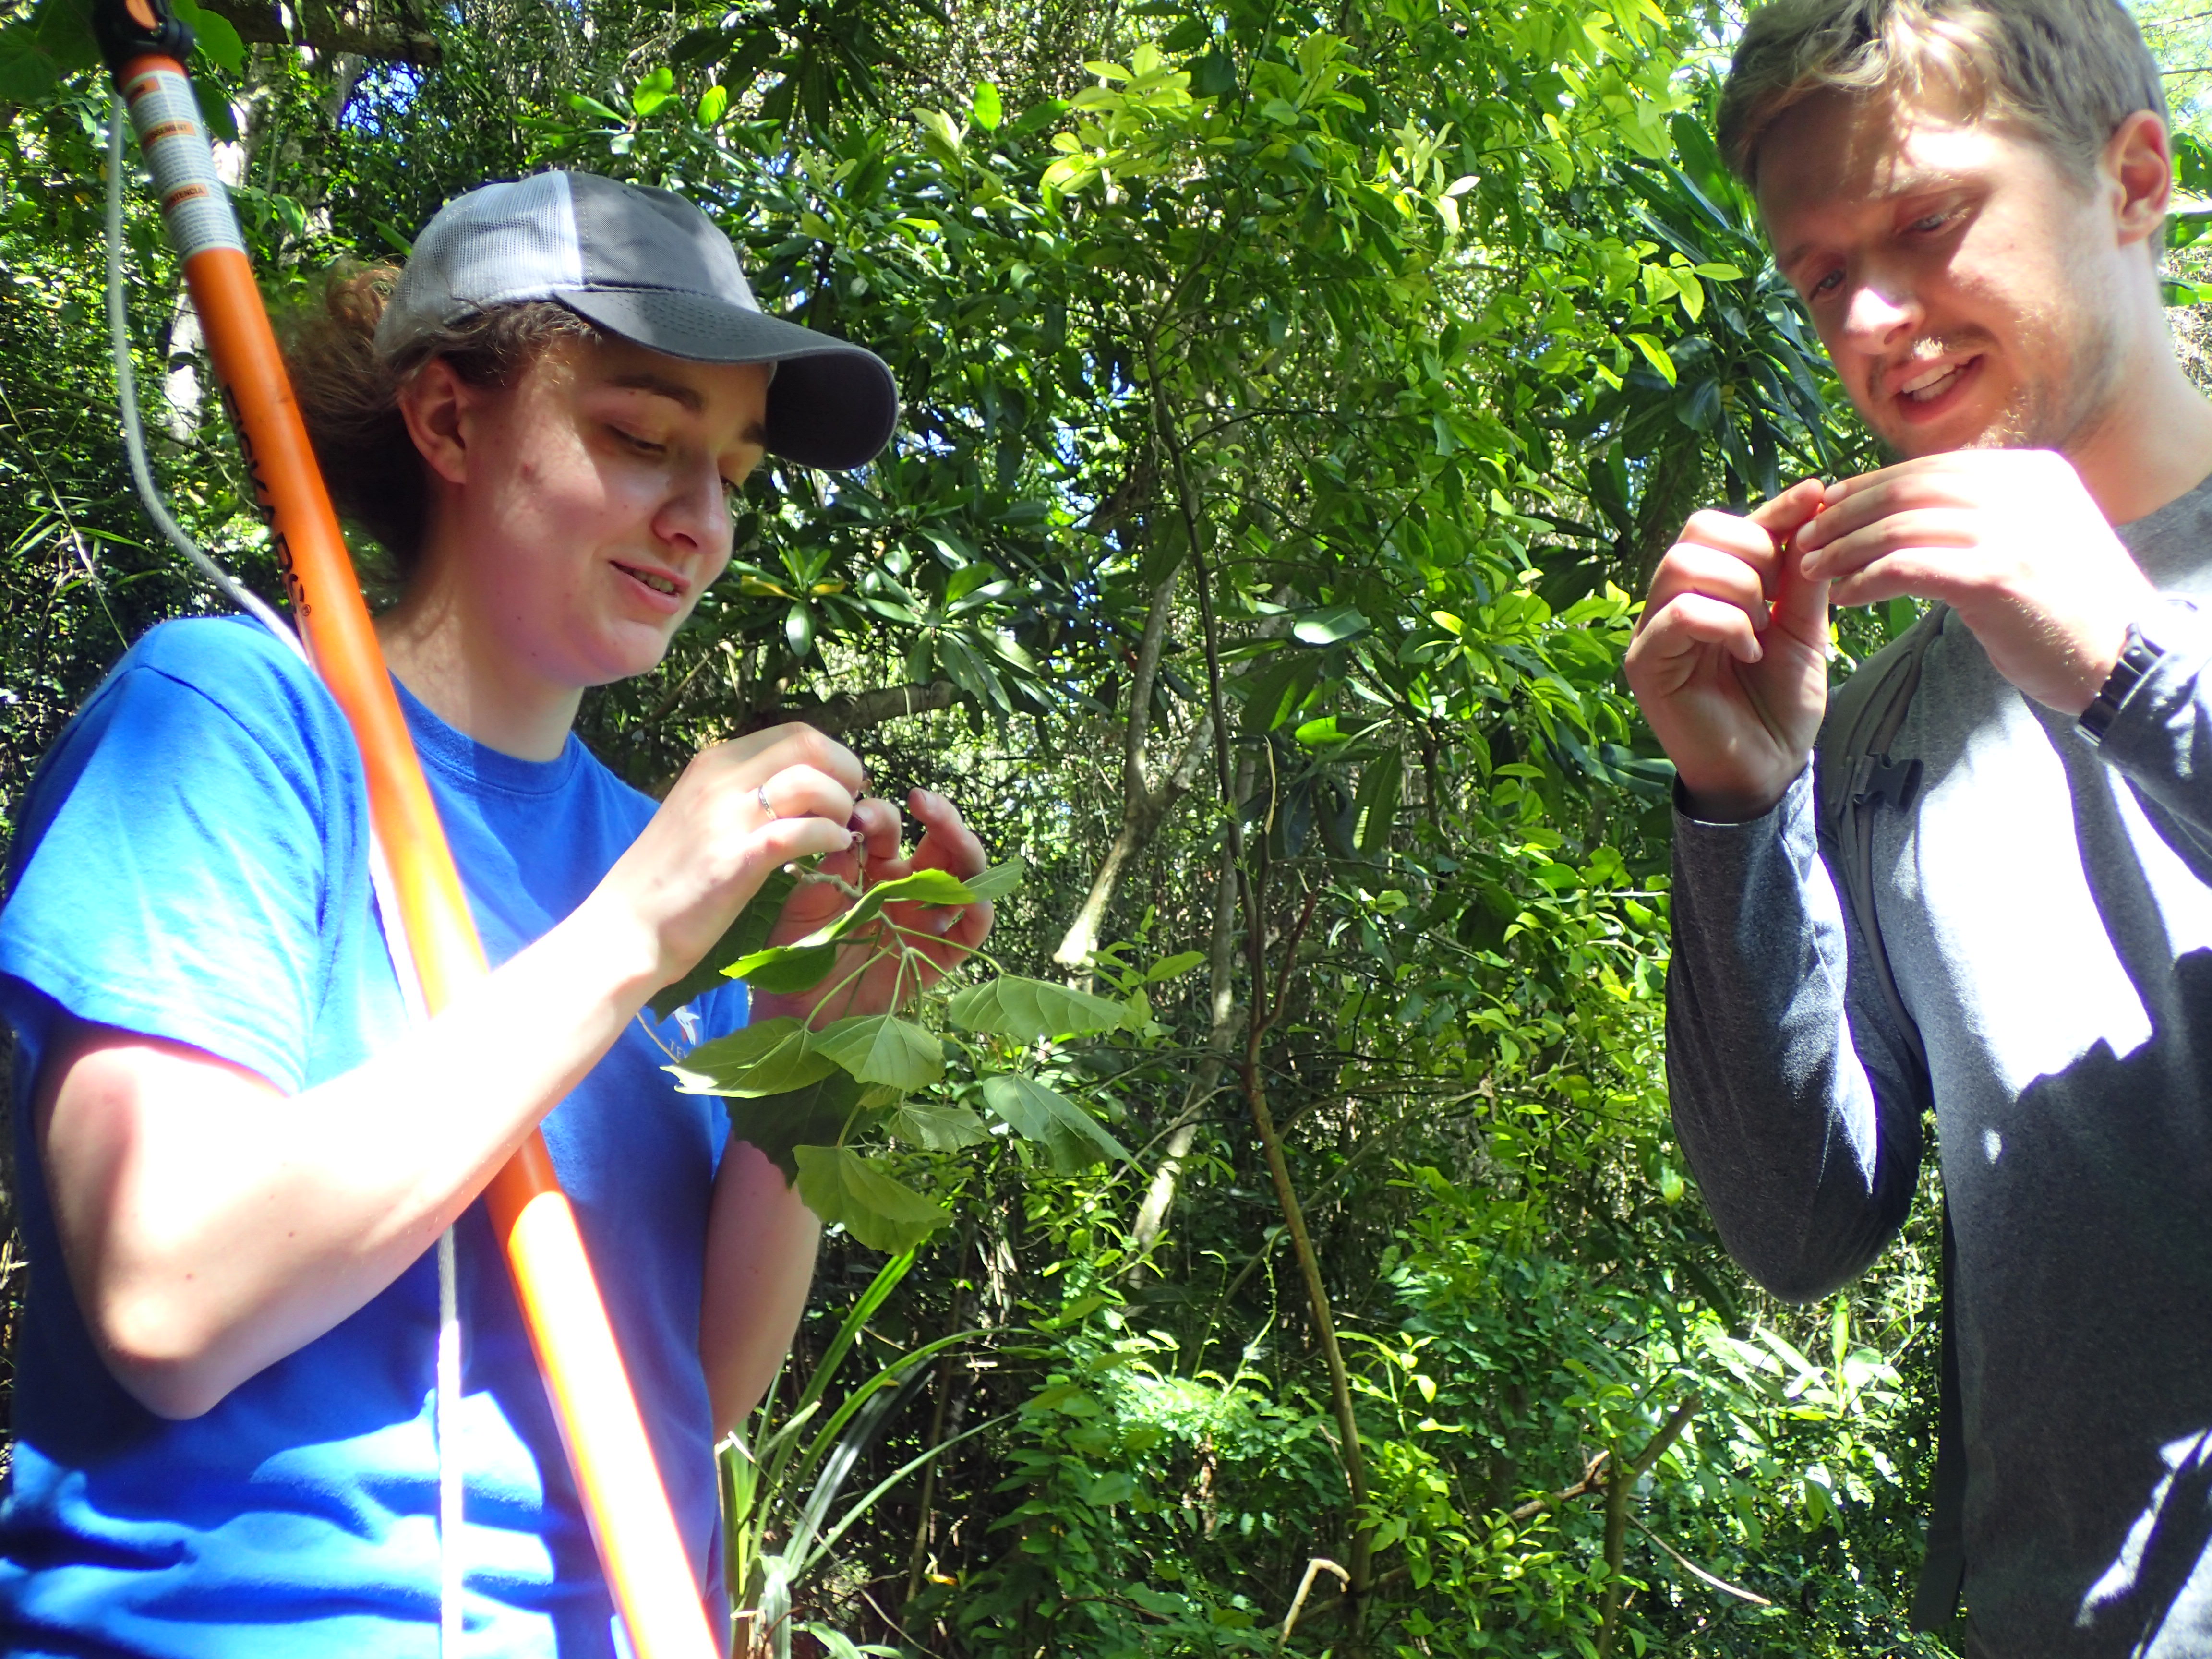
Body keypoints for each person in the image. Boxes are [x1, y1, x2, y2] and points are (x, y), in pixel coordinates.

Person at [0, 170, 993, 1655]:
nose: (699, 521)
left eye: (733, 472)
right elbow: (169, 1295)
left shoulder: (654, 852)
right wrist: (631, 939)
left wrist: (815, 1037)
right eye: (642, 438)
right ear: (450, 420)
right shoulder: (235, 717)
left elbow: (696, 1389)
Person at [1622, 0, 2212, 1652]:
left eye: (1929, 223)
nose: (1877, 318)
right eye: (1822, 276)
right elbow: (1804, 1223)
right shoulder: (1885, 717)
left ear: (2134, 181)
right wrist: (1744, 802)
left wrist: (2127, 668)